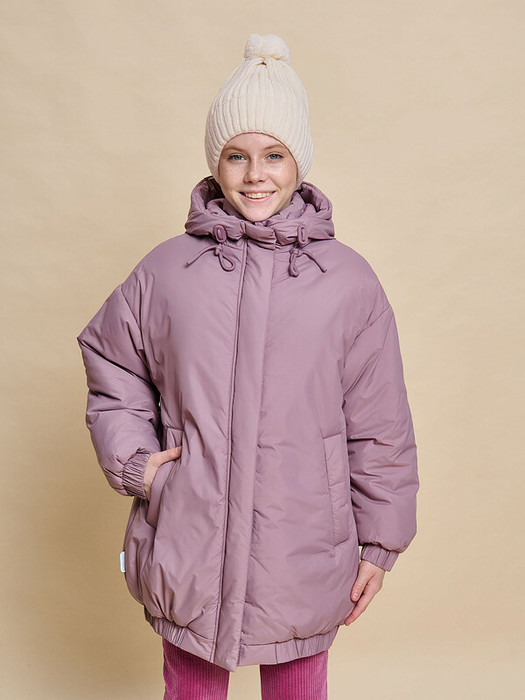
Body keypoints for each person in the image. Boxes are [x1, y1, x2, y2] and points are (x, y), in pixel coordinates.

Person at [77, 33, 419, 700]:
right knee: (192, 685)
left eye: (274, 155)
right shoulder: (166, 272)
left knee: (296, 685)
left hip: (303, 543)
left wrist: (381, 544)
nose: (255, 174)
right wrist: (138, 464)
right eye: (237, 155)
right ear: (216, 162)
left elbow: (380, 422)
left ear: (299, 162)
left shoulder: (348, 283)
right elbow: (112, 361)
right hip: (189, 537)